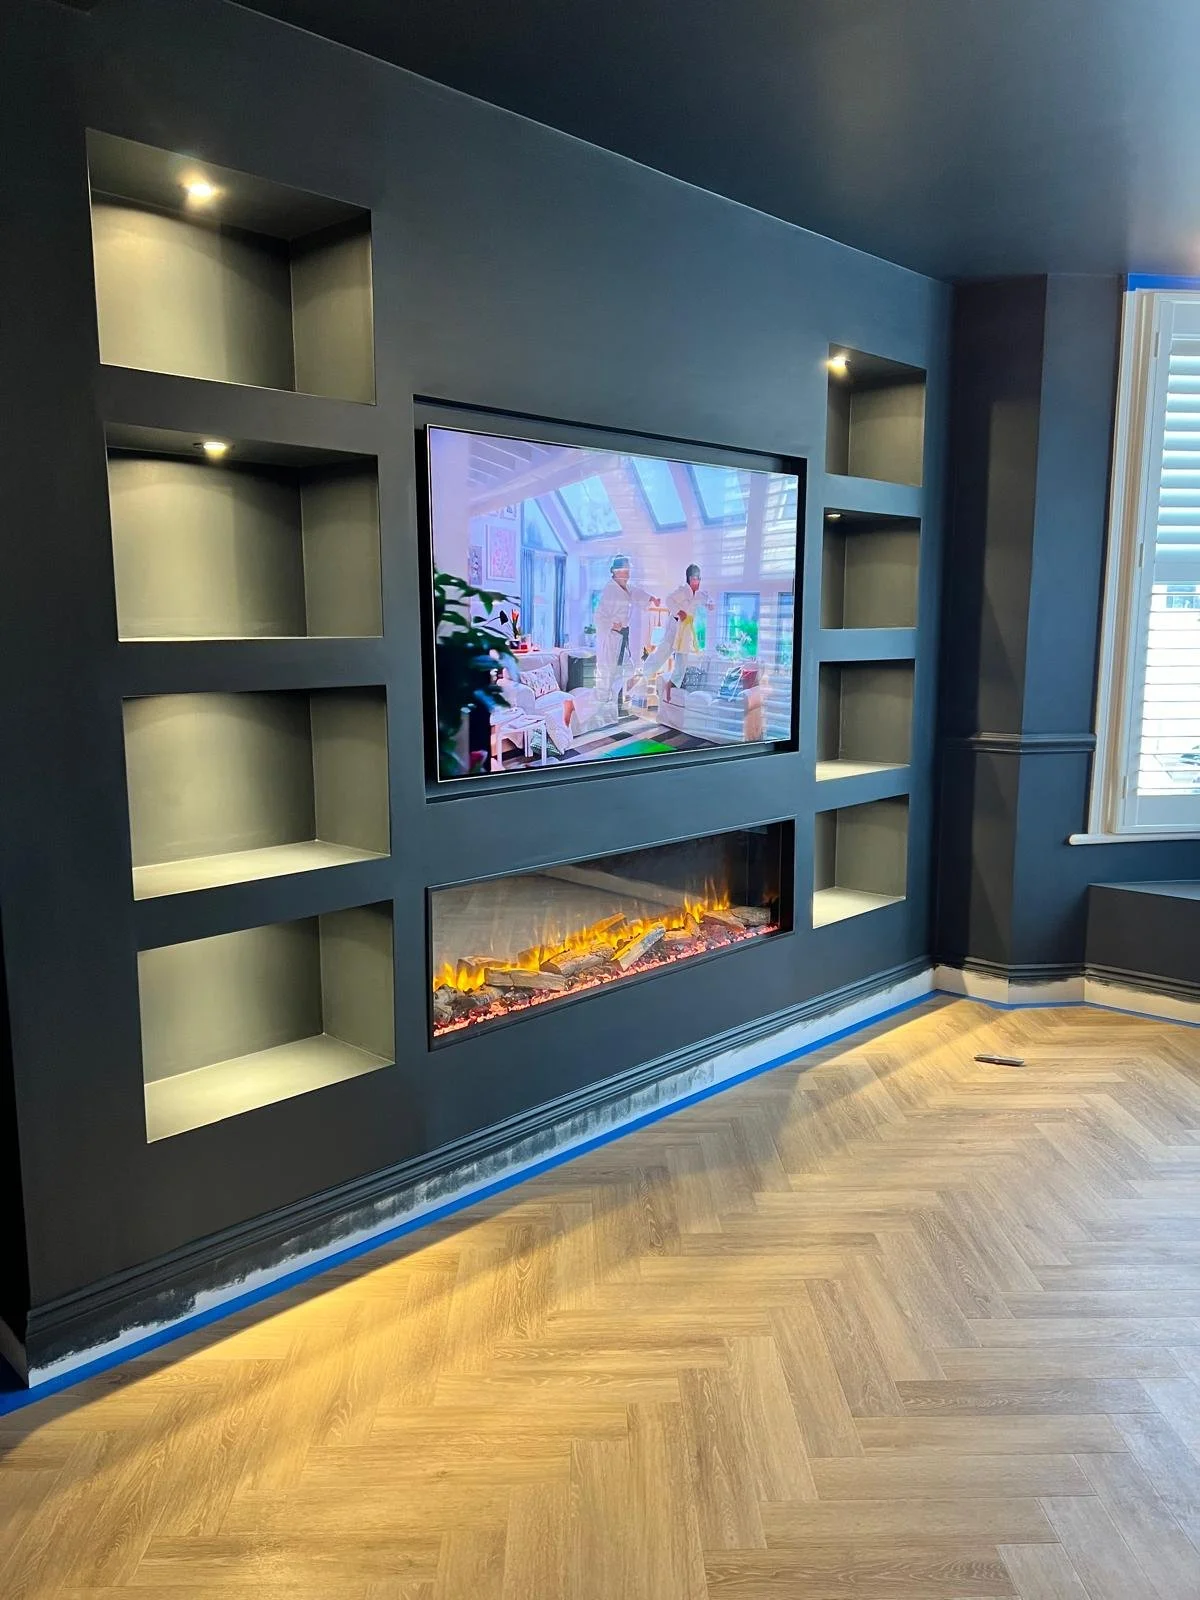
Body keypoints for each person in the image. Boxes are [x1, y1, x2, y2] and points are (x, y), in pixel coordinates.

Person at [636, 563, 715, 701]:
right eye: (697, 578)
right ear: (691, 578)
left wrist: (709, 604)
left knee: (682, 662)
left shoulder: (700, 594)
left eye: (700, 579)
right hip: (675, 625)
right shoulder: (682, 591)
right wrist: (679, 612)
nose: (699, 581)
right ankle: (644, 676)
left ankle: (670, 685)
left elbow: (708, 599)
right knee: (663, 652)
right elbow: (668, 600)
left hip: (686, 630)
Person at [593, 555, 658, 709]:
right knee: (607, 674)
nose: (628, 573)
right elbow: (598, 617)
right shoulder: (610, 590)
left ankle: (614, 702)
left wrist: (651, 599)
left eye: (628, 570)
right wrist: (612, 625)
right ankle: (601, 706)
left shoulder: (627, 588)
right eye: (625, 570)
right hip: (611, 638)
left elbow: (637, 593)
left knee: (628, 670)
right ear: (616, 572)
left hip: (622, 638)